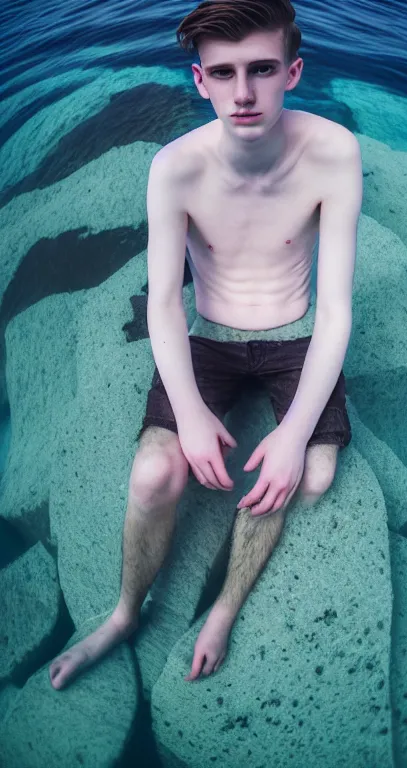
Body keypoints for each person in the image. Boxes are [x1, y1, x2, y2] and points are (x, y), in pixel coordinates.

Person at [49, 0, 362, 690]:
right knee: (155, 473)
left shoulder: (334, 153)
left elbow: (336, 310)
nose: (243, 92)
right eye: (224, 73)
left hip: (296, 333)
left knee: (308, 473)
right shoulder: (175, 167)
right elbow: (163, 300)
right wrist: (189, 415)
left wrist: (294, 434)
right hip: (212, 335)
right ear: (200, 82)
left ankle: (223, 607)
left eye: (261, 69)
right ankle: (124, 613)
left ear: (293, 71)